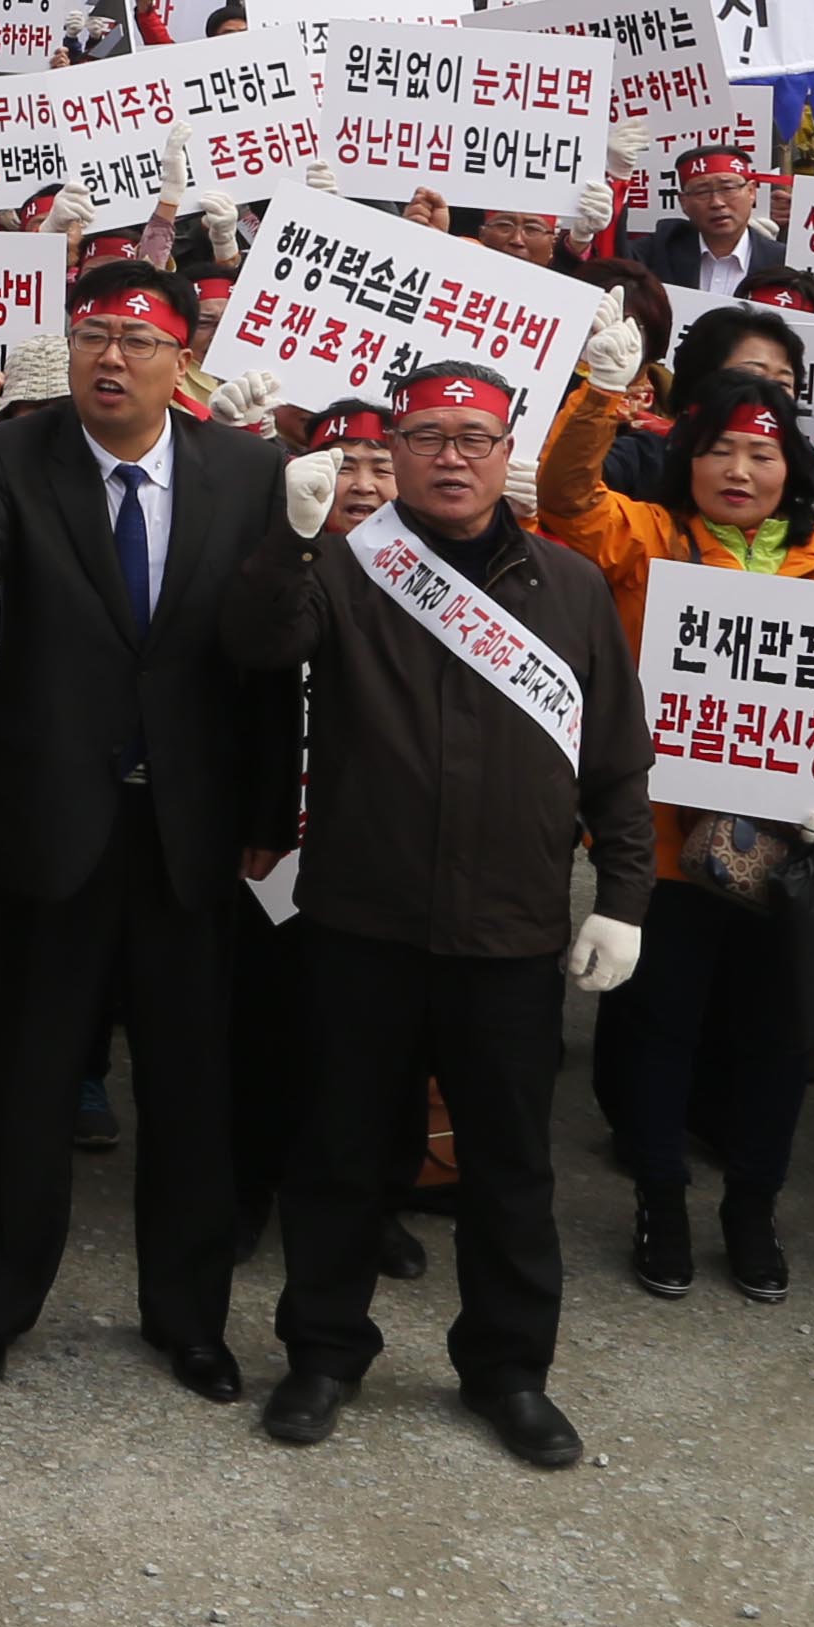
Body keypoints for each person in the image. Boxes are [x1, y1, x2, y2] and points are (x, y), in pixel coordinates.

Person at [230, 357, 656, 1470]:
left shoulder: (567, 588)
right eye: (427, 436)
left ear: (507, 450)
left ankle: (509, 1372)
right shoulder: (350, 567)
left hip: (510, 934)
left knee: (509, 1170)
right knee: (338, 1155)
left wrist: (621, 896)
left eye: (474, 436)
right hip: (359, 925)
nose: (452, 456)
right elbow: (258, 645)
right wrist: (289, 537)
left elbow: (616, 760)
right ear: (396, 452)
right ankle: (324, 1352)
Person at [0, 259, 295, 1401]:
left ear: (183, 361)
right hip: (47, 819)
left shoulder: (248, 467)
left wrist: (270, 812)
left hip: (191, 826)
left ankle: (188, 1320)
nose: (110, 357)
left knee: (189, 1089)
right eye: (91, 335)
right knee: (24, 1084)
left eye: (136, 338)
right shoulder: (21, 455)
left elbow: (264, 667)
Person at [535, 372, 814, 1308]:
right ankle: (660, 1202)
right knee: (662, 1032)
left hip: (799, 851)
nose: (740, 471)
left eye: (762, 454)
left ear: (793, 469)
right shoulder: (651, 541)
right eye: (718, 452)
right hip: (664, 845)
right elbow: (566, 501)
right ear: (686, 463)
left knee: (776, 1044)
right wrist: (598, 396)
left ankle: (754, 1207)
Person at [629, 146, 789, 295]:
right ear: (683, 202)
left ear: (751, 192)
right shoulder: (660, 249)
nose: (717, 203)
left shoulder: (782, 261)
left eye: (728, 188)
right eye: (702, 192)